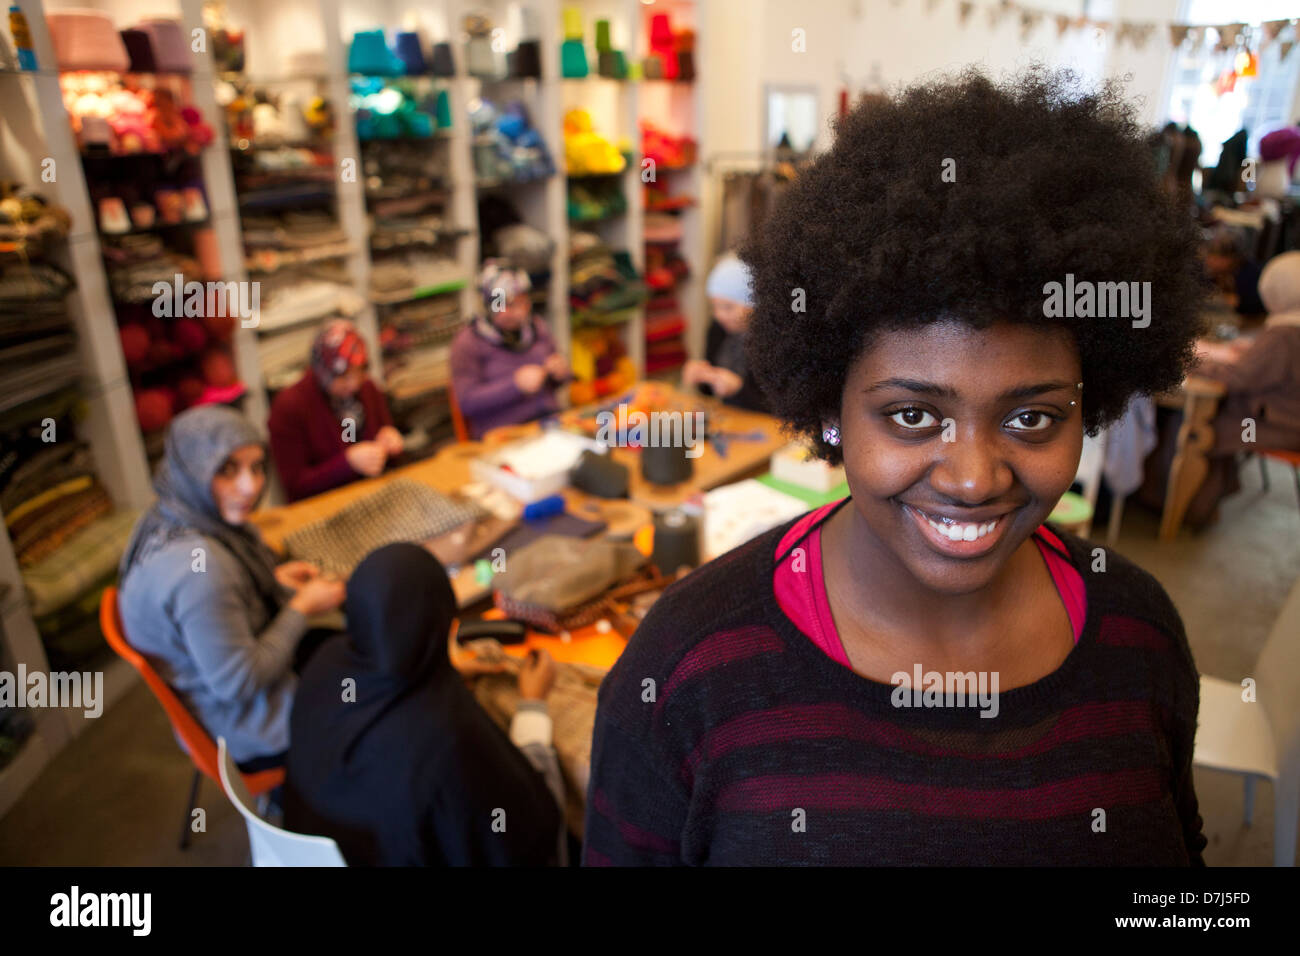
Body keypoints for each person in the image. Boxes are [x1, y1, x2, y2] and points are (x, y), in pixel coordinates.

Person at [584, 67, 1208, 866]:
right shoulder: (689, 670)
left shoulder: (1140, 633)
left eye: (1032, 417)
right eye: (913, 415)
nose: (974, 477)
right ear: (829, 408)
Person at [284, 543, 566, 866]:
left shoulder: (324, 664)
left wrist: (430, 665)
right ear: (446, 618)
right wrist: (533, 705)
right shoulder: (450, 737)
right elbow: (530, 829)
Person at [118, 405, 345, 771]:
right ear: (192, 470)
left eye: (256, 467)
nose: (251, 486)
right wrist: (300, 608)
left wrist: (268, 582)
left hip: (218, 696)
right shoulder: (201, 571)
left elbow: (212, 615)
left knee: (350, 655)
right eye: (227, 470)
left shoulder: (169, 515)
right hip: (247, 727)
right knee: (379, 695)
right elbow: (240, 682)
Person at [1147, 250, 1300, 527]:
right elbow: (1264, 368)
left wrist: (1188, 359)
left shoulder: (1286, 335)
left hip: (1278, 422)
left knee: (1198, 426)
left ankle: (1184, 508)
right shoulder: (1292, 328)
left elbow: (1239, 378)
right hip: (1287, 417)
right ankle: (1192, 501)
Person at [268, 320, 404, 502]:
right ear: (323, 371)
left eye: (360, 371)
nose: (354, 383)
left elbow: (386, 460)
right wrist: (347, 464)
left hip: (374, 498)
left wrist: (390, 442)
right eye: (343, 376)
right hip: (323, 510)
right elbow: (295, 486)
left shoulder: (368, 389)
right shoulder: (289, 407)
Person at [449, 260, 572, 439]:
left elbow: (560, 381)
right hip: (503, 435)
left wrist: (560, 372)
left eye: (522, 303)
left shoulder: (536, 327)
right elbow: (467, 402)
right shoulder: (468, 342)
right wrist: (515, 386)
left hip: (548, 424)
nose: (518, 313)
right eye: (506, 304)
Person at [681, 254, 769, 413]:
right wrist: (702, 376)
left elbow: (779, 409)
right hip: (731, 420)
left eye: (728, 307)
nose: (719, 315)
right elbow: (708, 391)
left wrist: (739, 389)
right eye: (714, 306)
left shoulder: (774, 342)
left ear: (753, 305)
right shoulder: (718, 329)